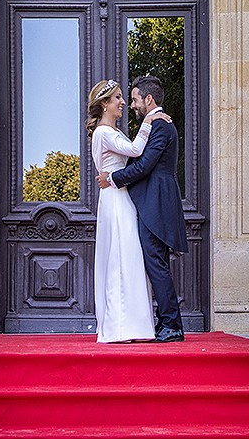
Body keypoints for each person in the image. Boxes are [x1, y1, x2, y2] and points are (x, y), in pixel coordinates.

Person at [96, 74, 188, 342]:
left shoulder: (160, 125)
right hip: (149, 202)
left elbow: (145, 164)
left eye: (135, 100)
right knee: (153, 262)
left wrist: (112, 178)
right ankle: (166, 322)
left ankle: (171, 325)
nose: (131, 105)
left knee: (155, 263)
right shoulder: (155, 124)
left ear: (149, 99)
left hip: (156, 203)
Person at [87, 79, 157, 343]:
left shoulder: (108, 132)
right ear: (105, 104)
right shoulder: (105, 133)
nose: (123, 102)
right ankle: (121, 327)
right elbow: (136, 150)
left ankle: (131, 325)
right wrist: (150, 120)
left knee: (127, 257)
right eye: (117, 98)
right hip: (115, 200)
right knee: (120, 257)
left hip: (118, 196)